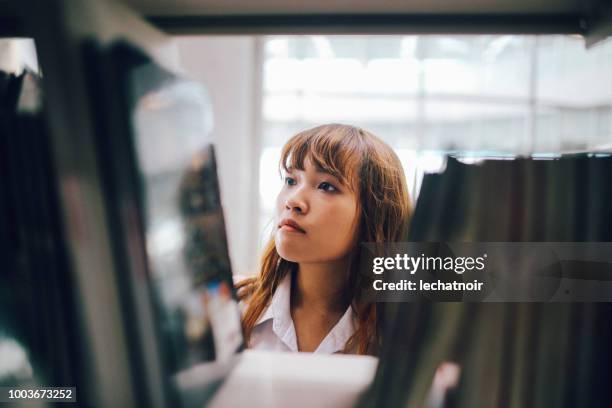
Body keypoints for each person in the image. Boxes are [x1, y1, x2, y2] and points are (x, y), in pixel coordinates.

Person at [237, 123, 411, 355]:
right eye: (290, 180)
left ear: (375, 216)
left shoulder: (400, 333)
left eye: (326, 186)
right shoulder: (234, 309)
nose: (293, 200)